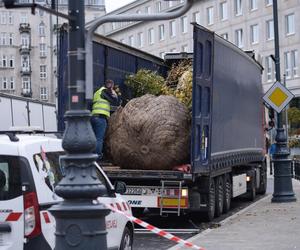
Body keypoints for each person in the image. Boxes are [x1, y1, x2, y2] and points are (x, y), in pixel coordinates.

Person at [91, 79, 119, 160]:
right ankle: (97, 157)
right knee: (99, 138)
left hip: (93, 117)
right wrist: (112, 91)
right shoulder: (105, 91)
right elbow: (115, 101)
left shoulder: (97, 92)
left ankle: (92, 155)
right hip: (100, 118)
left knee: (94, 138)